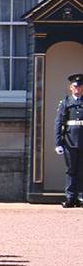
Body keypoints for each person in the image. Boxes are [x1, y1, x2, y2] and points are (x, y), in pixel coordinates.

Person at [55, 73, 83, 207]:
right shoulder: (65, 102)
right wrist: (58, 143)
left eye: (80, 86)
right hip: (70, 141)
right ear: (70, 87)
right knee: (71, 170)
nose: (78, 89)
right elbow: (59, 123)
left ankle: (81, 197)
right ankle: (71, 198)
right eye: (75, 86)